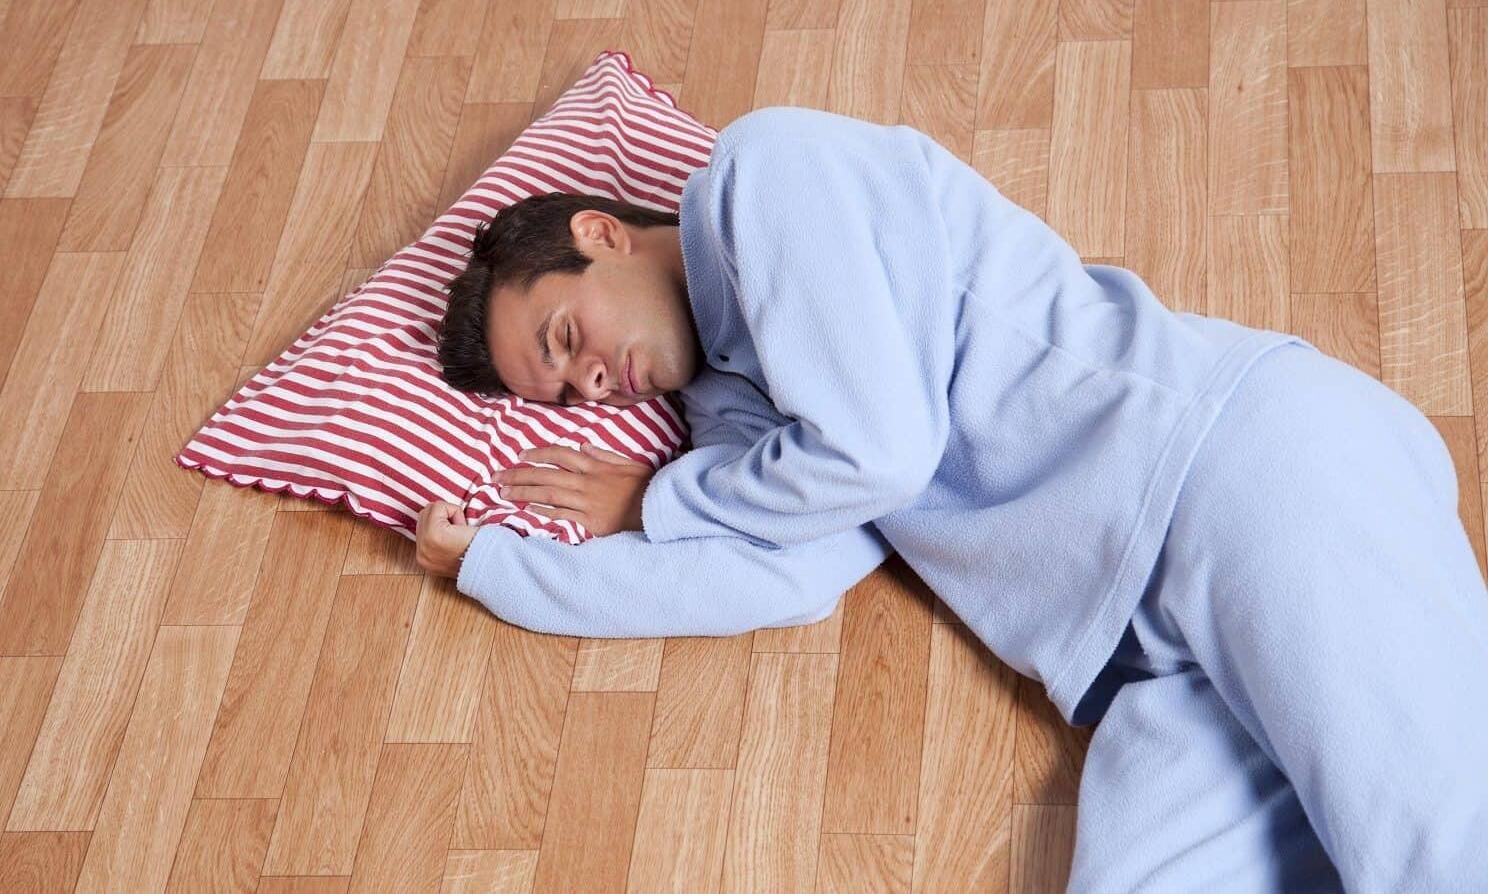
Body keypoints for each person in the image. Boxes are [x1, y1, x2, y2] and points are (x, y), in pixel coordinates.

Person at [416, 106, 1488, 890]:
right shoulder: (731, 411)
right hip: (1144, 660)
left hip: (1232, 472)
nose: (592, 383)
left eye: (567, 338)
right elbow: (786, 574)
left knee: (1441, 857)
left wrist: (665, 498)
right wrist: (501, 566)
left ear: (601, 234)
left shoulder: (765, 177)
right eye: (565, 393)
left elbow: (880, 449)